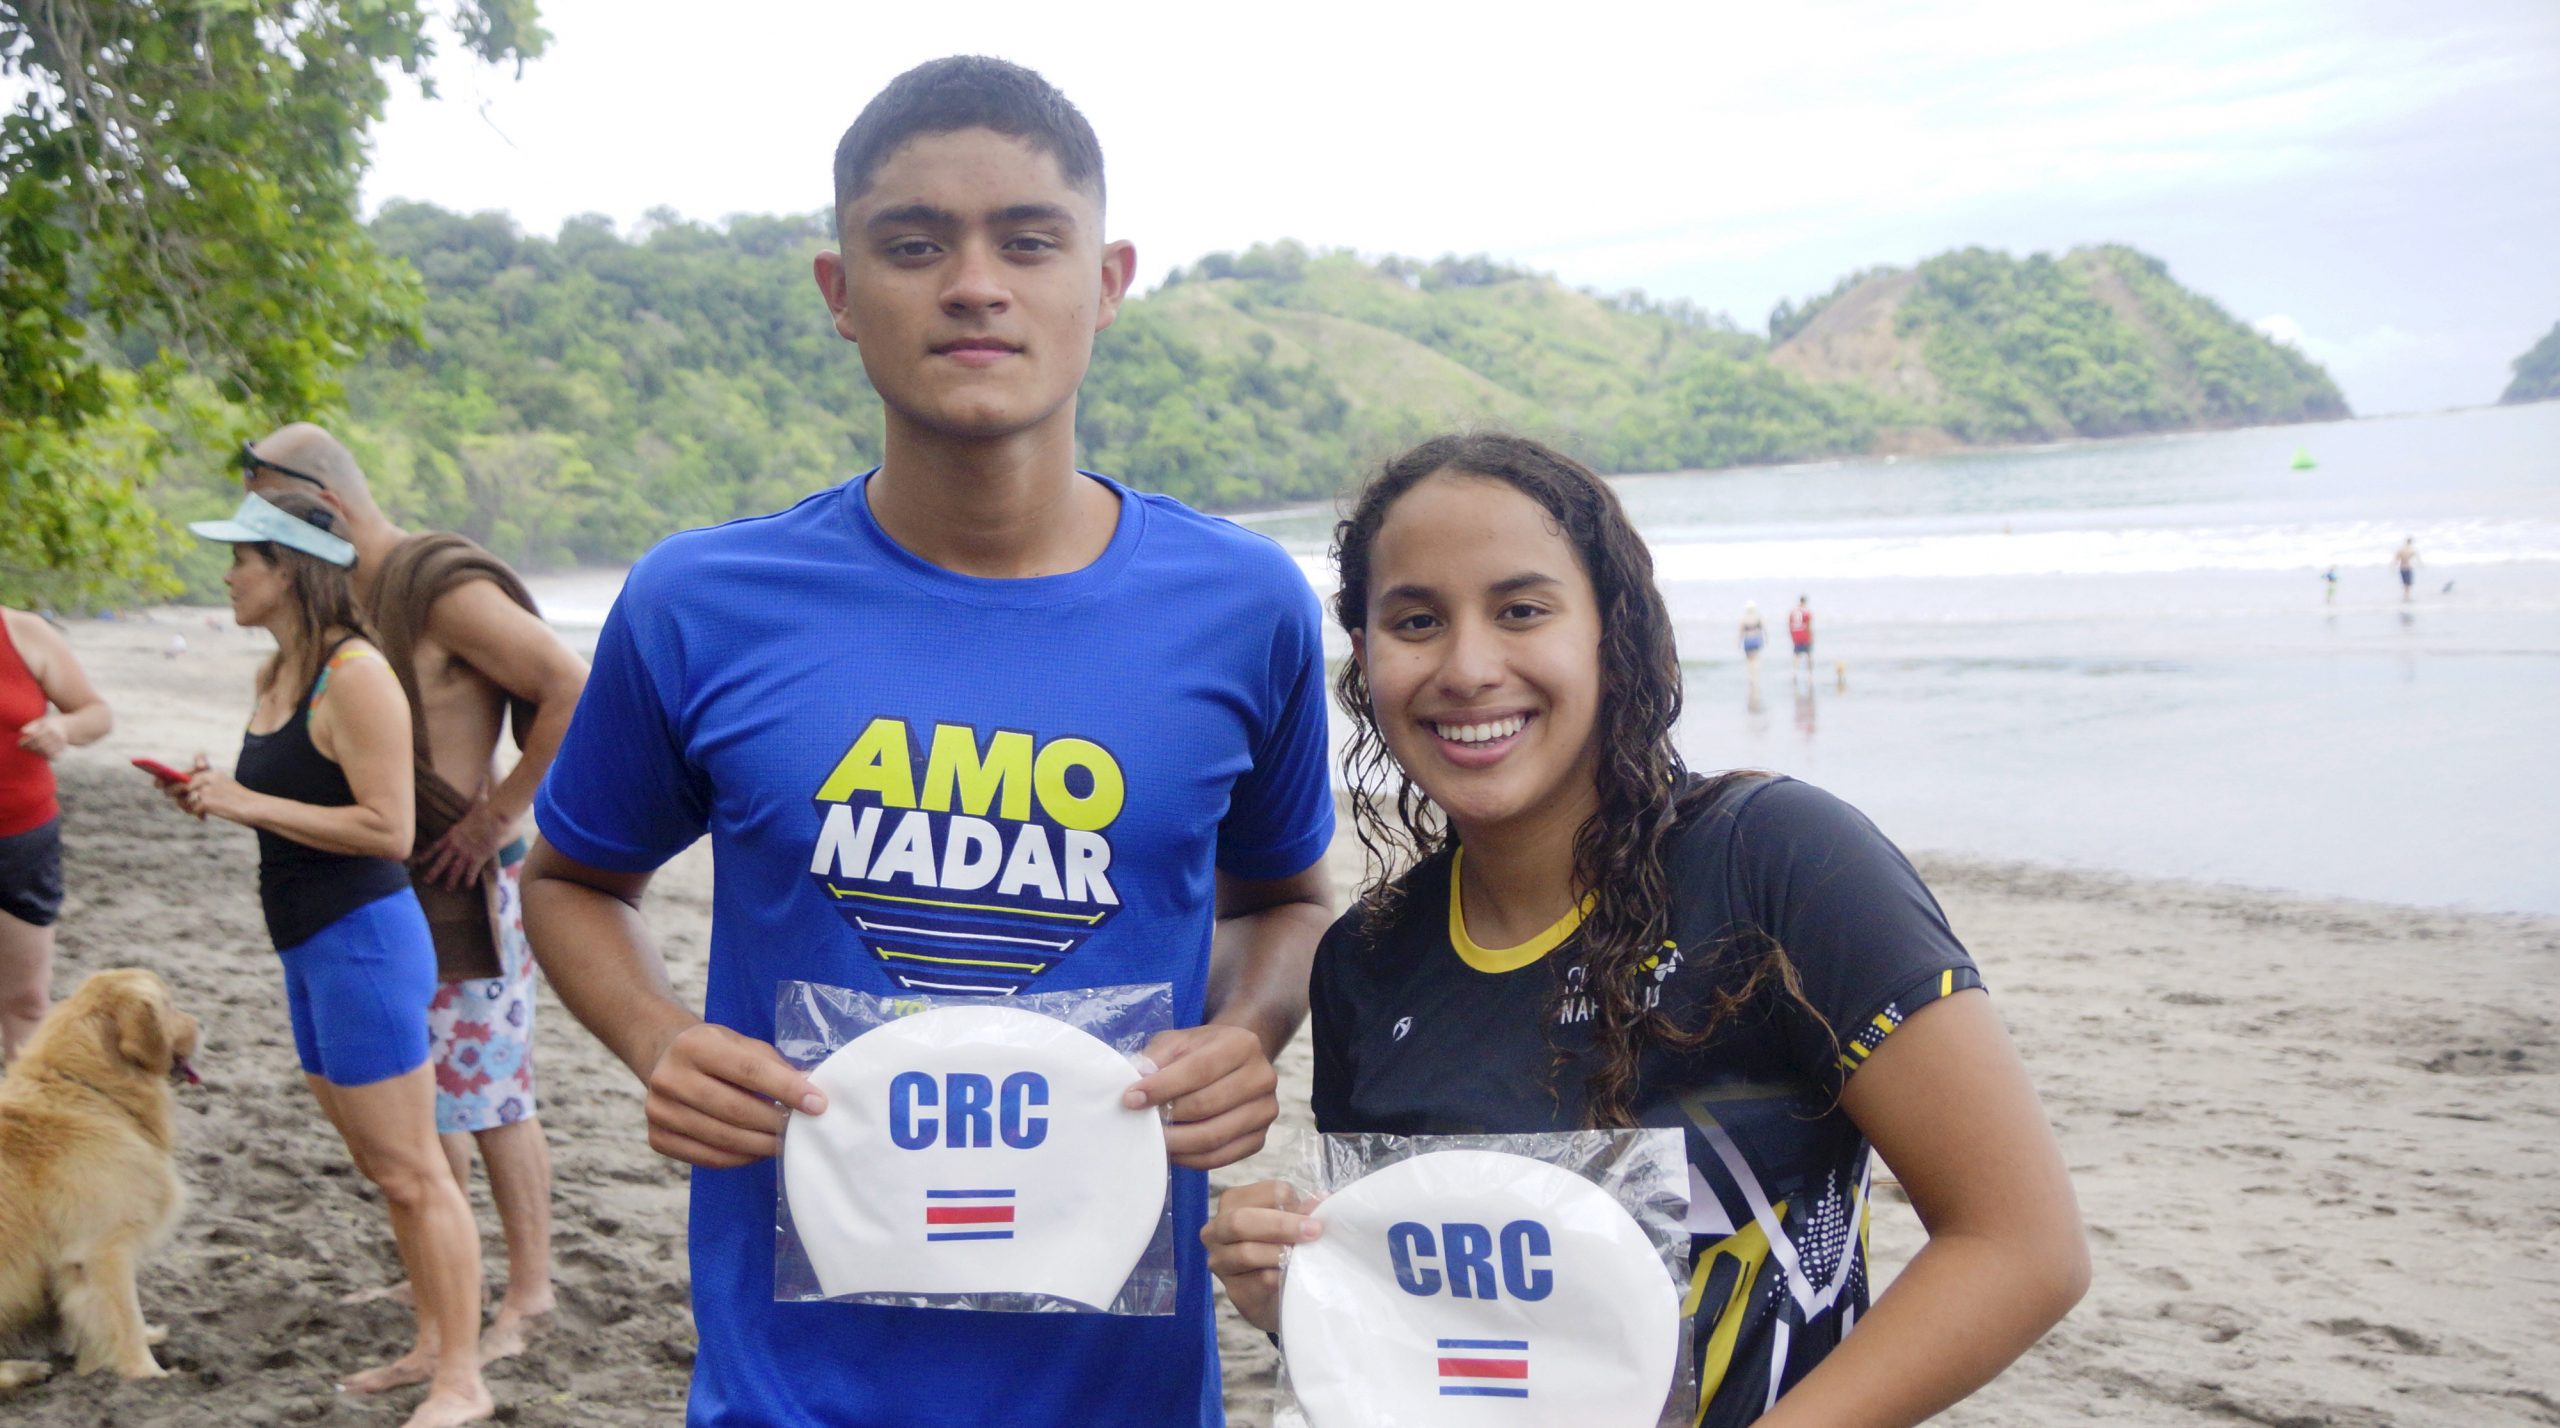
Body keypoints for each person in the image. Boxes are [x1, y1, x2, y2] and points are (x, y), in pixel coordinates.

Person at [520, 56, 1333, 1427]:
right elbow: (570, 879)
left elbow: (1289, 901)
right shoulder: (700, 602)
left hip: (1121, 1390)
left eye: (1029, 240)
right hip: (791, 1392)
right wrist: (658, 1039)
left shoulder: (1243, 605)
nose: (974, 284)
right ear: (839, 292)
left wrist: (1244, 1034)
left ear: (1108, 280)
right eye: (913, 245)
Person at [1202, 434, 2086, 1427]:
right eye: (1417, 621)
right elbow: (1446, 1340)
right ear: (1365, 658)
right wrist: (1303, 1297)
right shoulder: (1367, 956)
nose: (1468, 666)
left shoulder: (1776, 861)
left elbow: (2020, 1247)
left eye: (1521, 610)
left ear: (1610, 632)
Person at [240, 423, 586, 1359]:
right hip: (389, 881)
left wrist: (498, 816)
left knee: (491, 1090)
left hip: (465, 875)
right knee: (421, 1085)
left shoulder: (439, 587)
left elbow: (570, 685)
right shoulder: (344, 597)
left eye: (270, 517)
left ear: (325, 504)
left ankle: (531, 1291)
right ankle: (443, 1264)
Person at [159, 490, 490, 1428]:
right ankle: (428, 1342)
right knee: (384, 1168)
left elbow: (390, 830)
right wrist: (214, 794)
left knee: (415, 1170)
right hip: (306, 945)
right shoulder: (277, 670)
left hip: (365, 942)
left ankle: (464, 1379)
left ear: (291, 567)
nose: (228, 575)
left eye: (243, 558)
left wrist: (245, 803)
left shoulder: (356, 674)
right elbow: (293, 801)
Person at [0, 606, 112, 1060]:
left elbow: (97, 714)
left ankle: (29, 1102)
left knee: (27, 999)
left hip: (20, 839)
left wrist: (61, 727)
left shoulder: (23, 631)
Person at [1788, 593, 1815, 679]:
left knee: (1796, 655)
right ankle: (1809, 674)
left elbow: (1789, 624)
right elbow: (1808, 626)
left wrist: (1792, 635)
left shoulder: (1793, 611)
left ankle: (1794, 673)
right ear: (1805, 602)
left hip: (1796, 634)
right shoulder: (1806, 612)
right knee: (1808, 655)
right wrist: (1811, 636)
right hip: (1804, 634)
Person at [1738, 601, 1765, 683]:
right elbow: (1763, 629)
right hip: (1756, 639)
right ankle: (1755, 677)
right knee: (1756, 659)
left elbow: (1741, 632)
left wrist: (1738, 642)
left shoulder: (1744, 618)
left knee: (1749, 660)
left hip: (1747, 640)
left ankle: (1750, 677)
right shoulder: (1758, 617)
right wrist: (1766, 639)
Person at [2393, 537, 2420, 602]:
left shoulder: (2400, 549)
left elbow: (2396, 559)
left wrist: (2393, 568)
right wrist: (2421, 565)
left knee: (2405, 583)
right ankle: (2407, 597)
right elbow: (2417, 558)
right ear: (2410, 542)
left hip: (2402, 568)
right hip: (2408, 568)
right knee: (2408, 584)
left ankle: (2405, 596)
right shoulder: (2411, 550)